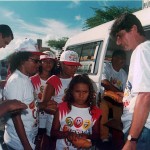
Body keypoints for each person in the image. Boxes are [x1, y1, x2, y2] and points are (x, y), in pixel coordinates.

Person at [110, 13, 150, 150]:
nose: (118, 42)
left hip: (141, 131)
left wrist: (132, 139)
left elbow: (145, 96)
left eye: (120, 36)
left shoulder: (142, 50)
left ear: (133, 29)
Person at [3, 38, 43, 150]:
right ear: (22, 60)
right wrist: (27, 146)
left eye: (39, 61)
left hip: (26, 138)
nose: (39, 64)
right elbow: (16, 117)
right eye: (35, 61)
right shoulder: (16, 81)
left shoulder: (25, 78)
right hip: (19, 143)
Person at [40, 50, 81, 149]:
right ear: (61, 64)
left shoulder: (76, 80)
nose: (74, 68)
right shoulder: (53, 80)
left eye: (76, 65)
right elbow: (43, 105)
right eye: (70, 65)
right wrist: (60, 111)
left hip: (71, 123)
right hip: (54, 125)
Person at [51, 74, 102, 149]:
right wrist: (67, 134)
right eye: (77, 91)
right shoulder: (62, 108)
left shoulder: (94, 111)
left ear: (90, 92)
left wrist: (87, 136)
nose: (81, 95)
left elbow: (96, 136)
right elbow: (53, 133)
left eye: (85, 92)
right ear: (71, 91)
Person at [30, 51, 57, 149]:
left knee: (48, 140)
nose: (48, 64)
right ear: (40, 62)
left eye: (51, 61)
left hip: (52, 117)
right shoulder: (32, 79)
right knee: (38, 138)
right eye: (45, 61)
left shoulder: (57, 79)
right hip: (37, 117)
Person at [100, 50, 127, 143]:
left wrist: (121, 95)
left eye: (124, 59)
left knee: (121, 113)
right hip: (105, 97)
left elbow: (125, 89)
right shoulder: (106, 67)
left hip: (116, 99)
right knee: (103, 110)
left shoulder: (123, 73)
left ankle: (117, 135)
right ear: (114, 58)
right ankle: (104, 137)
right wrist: (118, 92)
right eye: (121, 58)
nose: (123, 61)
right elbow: (104, 82)